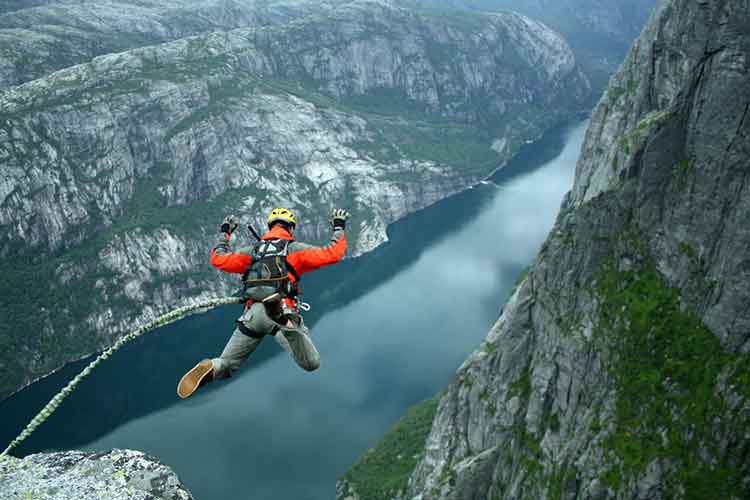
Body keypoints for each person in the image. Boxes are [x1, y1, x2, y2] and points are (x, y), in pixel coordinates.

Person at [177, 207, 350, 399]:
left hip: (252, 316)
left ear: (269, 227)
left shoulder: (251, 253)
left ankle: (212, 367)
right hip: (281, 312)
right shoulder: (295, 250)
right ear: (290, 229)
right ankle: (282, 320)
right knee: (311, 363)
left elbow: (218, 259)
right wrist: (338, 227)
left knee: (227, 364)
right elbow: (333, 253)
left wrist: (225, 233)